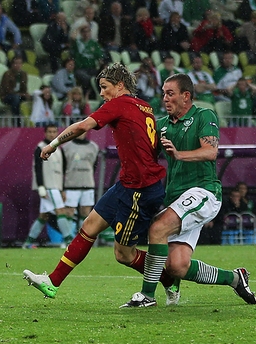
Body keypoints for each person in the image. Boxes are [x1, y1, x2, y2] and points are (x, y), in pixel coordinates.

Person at [23, 63, 172, 299]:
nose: (101, 94)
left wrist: (52, 145)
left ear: (120, 86)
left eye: (104, 87)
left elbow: (83, 126)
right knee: (89, 226)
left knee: (123, 254)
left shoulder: (119, 104)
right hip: (128, 183)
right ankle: (52, 282)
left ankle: (168, 278)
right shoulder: (145, 107)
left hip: (139, 189)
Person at [122, 73, 256, 307]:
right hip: (175, 200)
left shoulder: (204, 115)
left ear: (186, 96)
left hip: (204, 193)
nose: (165, 98)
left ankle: (147, 295)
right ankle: (236, 278)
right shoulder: (161, 126)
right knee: (177, 265)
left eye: (170, 93)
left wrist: (178, 154)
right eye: (163, 93)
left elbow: (210, 151)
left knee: (157, 228)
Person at [23, 123, 74, 249]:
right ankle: (69, 241)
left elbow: (62, 171)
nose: (52, 134)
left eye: (54, 131)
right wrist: (40, 186)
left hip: (56, 186)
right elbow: (38, 168)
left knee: (44, 216)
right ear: (45, 133)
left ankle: (28, 243)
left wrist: (62, 189)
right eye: (50, 132)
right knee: (61, 211)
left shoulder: (59, 150)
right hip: (48, 186)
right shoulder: (40, 147)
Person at [60, 130, 99, 236]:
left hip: (88, 184)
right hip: (71, 185)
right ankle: (69, 239)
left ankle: (82, 239)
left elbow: (94, 166)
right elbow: (63, 169)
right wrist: (62, 187)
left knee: (86, 213)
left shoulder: (94, 147)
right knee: (69, 212)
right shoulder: (66, 147)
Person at [0, 56, 30, 126]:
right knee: (16, 98)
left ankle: (34, 122)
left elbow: (24, 89)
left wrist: (25, 94)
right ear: (12, 64)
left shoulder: (23, 74)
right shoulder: (7, 74)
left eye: (20, 63)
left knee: (34, 97)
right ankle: (16, 123)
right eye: (16, 63)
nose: (18, 65)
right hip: (7, 96)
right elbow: (6, 89)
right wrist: (20, 94)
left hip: (19, 95)